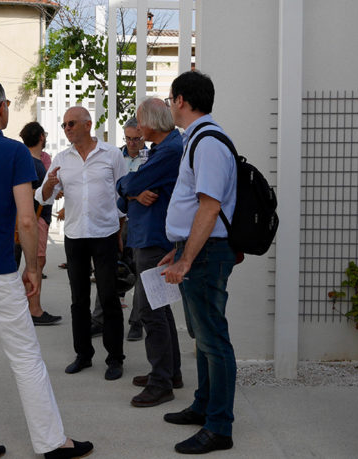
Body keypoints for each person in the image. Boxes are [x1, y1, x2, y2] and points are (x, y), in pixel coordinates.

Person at [0, 77, 93, 459]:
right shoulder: (14, 153)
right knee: (26, 357)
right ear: (2, 108)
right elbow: (27, 220)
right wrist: (32, 268)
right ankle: (52, 442)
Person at [159, 70, 238, 454]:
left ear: (181, 100)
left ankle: (219, 427)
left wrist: (186, 257)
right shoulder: (199, 139)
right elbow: (197, 207)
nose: (169, 105)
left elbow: (209, 207)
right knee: (203, 337)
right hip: (199, 251)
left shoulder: (207, 143)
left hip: (207, 255)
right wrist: (180, 248)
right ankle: (204, 405)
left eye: (170, 99)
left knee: (213, 339)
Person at [36, 106, 127, 381]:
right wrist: (50, 184)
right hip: (75, 236)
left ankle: (115, 358)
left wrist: (121, 231)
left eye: (72, 123)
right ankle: (83, 354)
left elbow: (122, 194)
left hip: (105, 233)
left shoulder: (111, 154)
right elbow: (43, 196)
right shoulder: (61, 159)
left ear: (88, 125)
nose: (67, 129)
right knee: (78, 299)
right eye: (64, 125)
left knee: (109, 297)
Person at [116, 98, 183, 408]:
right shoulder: (163, 149)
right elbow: (130, 191)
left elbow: (132, 183)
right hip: (151, 236)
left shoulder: (168, 151)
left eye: (140, 121)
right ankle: (170, 373)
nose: (138, 127)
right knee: (160, 308)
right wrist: (130, 192)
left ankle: (161, 382)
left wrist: (127, 188)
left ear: (153, 122)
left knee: (150, 311)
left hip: (154, 239)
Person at [90, 117, 148, 340]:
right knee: (107, 270)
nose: (132, 143)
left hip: (140, 222)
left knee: (141, 272)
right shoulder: (114, 156)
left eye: (137, 139)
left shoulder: (151, 158)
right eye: (128, 138)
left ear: (143, 136)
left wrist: (129, 193)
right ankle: (99, 318)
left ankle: (137, 322)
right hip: (114, 221)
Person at [15, 121, 62, 326]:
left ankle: (29, 306)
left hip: (35, 217)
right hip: (37, 218)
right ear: (41, 137)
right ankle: (34, 309)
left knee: (31, 263)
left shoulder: (26, 160)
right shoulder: (33, 163)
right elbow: (28, 193)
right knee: (36, 262)